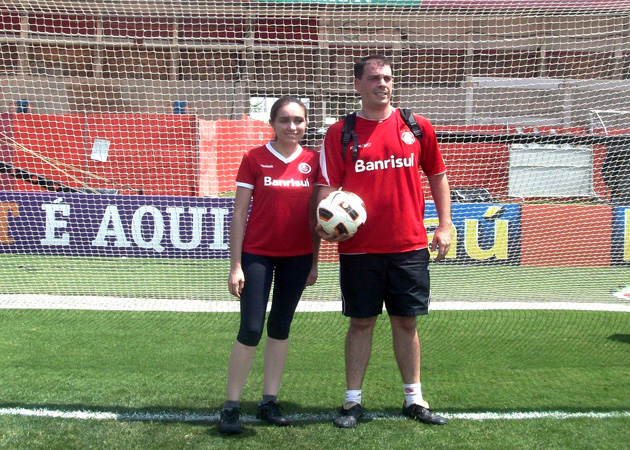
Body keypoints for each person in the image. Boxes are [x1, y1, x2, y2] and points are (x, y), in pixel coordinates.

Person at [316, 55, 452, 428]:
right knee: (361, 323)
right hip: (359, 249)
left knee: (406, 322)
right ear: (357, 84)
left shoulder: (416, 126)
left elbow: (438, 175)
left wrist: (445, 225)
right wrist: (325, 221)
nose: (383, 84)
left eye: (388, 78)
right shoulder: (340, 132)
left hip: (409, 245)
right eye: (375, 78)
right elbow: (327, 188)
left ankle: (414, 399)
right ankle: (352, 402)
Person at [219, 96, 320, 435]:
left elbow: (316, 217)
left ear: (306, 123)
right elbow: (238, 214)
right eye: (285, 120)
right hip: (257, 255)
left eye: (298, 120)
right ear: (272, 124)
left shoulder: (314, 161)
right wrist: (236, 265)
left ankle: (269, 401)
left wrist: (314, 262)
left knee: (280, 327)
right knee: (251, 329)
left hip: (298, 257)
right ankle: (231, 406)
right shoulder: (254, 158)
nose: (292, 126)